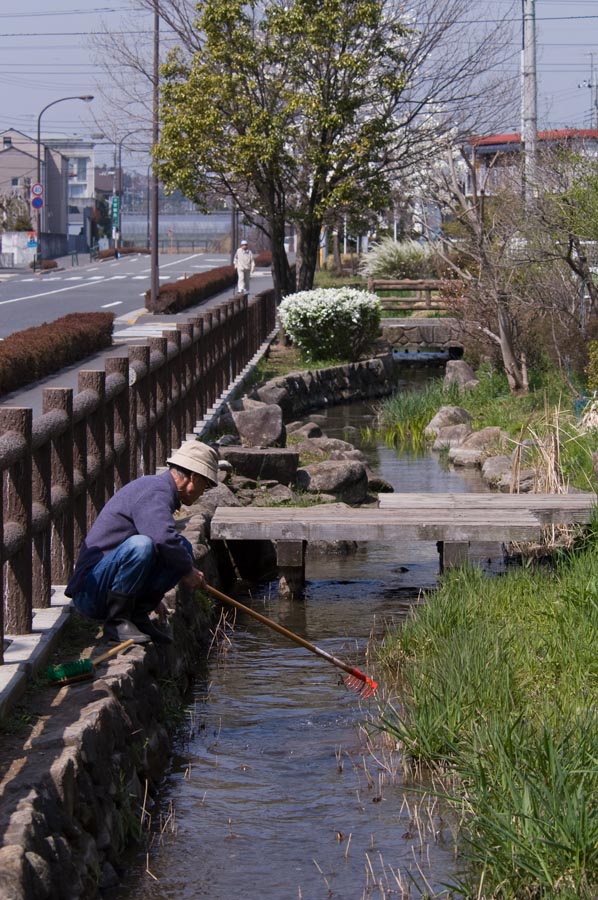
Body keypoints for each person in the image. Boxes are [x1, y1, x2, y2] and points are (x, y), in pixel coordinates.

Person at [65, 441, 219, 646]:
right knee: (142, 545)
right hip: (90, 592)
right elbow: (161, 538)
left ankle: (137, 615)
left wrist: (153, 599)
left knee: (182, 547)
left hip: (105, 584)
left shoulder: (159, 490)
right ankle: (117, 620)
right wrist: (187, 570)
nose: (203, 492)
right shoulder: (155, 491)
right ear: (194, 478)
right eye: (205, 485)